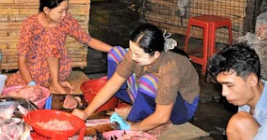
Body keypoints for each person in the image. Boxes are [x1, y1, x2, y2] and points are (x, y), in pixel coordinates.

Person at [72, 24, 200, 132]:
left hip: (181, 107)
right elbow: (113, 84)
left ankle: (142, 118)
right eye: (132, 50)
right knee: (116, 52)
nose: (133, 57)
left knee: (148, 82)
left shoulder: (169, 69)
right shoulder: (136, 54)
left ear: (156, 54)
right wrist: (86, 112)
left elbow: (162, 116)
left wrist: (131, 126)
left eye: (138, 54)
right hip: (157, 93)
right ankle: (144, 110)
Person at [6, 0, 112, 95]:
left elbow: (88, 40)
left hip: (58, 69)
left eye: (66, 10)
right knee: (11, 90)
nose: (64, 15)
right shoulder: (29, 25)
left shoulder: (66, 22)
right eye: (61, 11)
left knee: (51, 35)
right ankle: (50, 84)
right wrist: (31, 84)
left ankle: (55, 83)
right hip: (34, 70)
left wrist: (113, 50)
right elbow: (22, 61)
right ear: (46, 10)